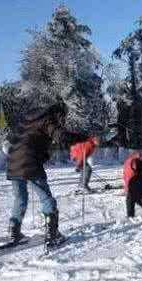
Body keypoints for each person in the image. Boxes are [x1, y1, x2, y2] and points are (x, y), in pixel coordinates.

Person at [6, 102, 90, 246]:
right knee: (46, 198)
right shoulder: (47, 119)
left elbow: (17, 140)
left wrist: (43, 155)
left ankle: (14, 231)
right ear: (59, 114)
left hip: (13, 161)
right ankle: (52, 233)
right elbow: (61, 136)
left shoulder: (29, 118)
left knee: (20, 198)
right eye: (63, 118)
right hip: (29, 163)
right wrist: (82, 137)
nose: (63, 121)